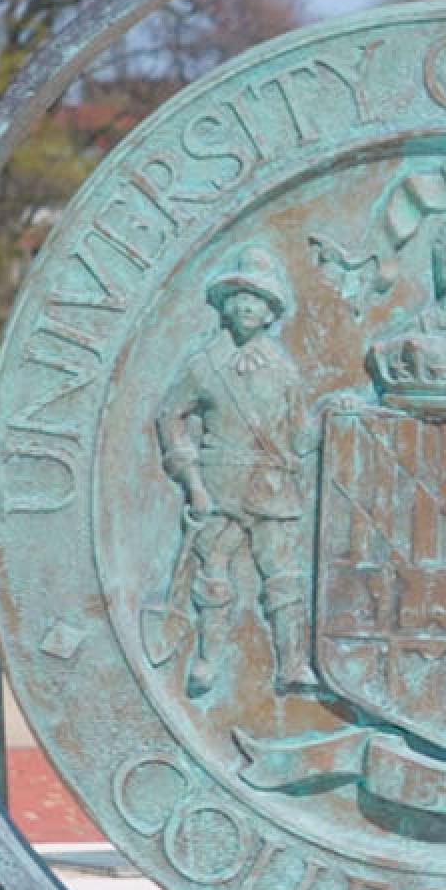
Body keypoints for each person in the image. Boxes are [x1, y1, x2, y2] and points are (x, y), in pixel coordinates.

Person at [155, 246, 314, 699]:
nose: (247, 306)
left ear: (270, 313)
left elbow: (301, 435)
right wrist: (192, 483)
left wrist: (333, 422)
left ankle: (292, 664)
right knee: (213, 574)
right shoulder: (203, 366)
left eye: (258, 300)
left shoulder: (285, 371)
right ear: (226, 306)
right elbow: (170, 416)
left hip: (270, 486)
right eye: (240, 297)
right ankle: (208, 660)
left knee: (281, 575)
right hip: (218, 484)